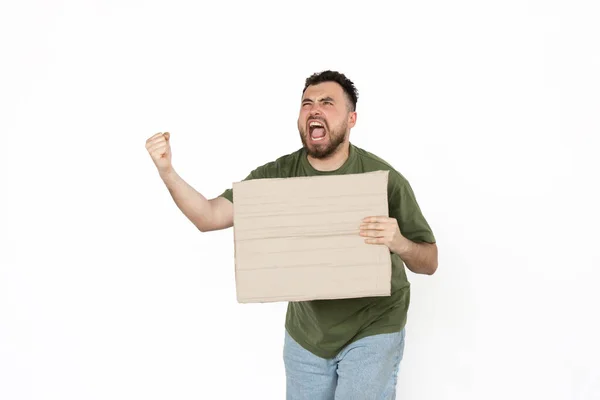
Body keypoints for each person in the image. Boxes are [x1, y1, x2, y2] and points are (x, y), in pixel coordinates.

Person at [145, 70, 438, 399]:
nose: (315, 109)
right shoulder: (276, 177)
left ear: (352, 118)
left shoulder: (384, 179)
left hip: (373, 325)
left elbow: (429, 262)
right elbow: (209, 216)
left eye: (327, 103)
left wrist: (399, 243)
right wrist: (167, 171)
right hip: (307, 333)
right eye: (307, 103)